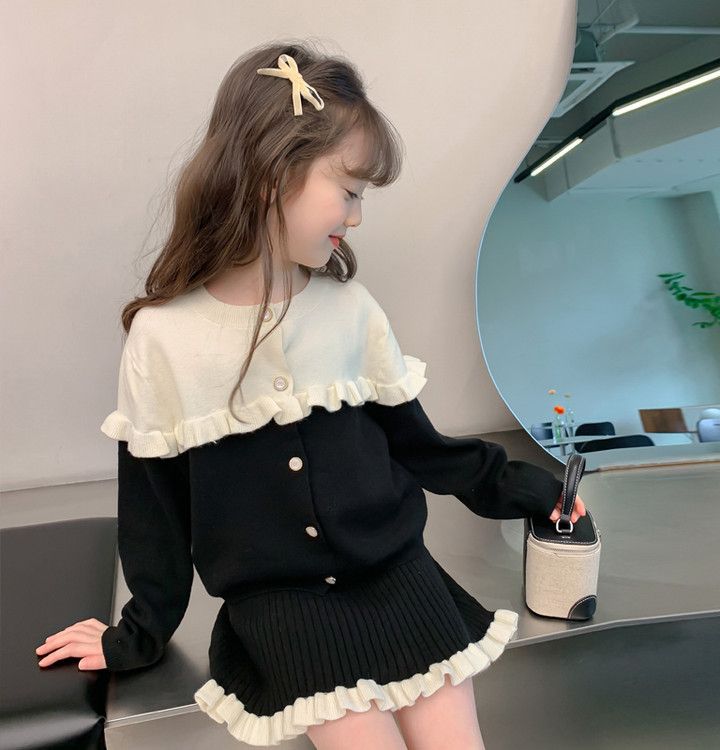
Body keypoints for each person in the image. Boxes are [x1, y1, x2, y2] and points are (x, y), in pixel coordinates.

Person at [35, 40, 586, 749]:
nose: (356, 217)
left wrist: (535, 492)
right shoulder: (162, 339)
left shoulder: (350, 310)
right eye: (349, 191)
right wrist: (135, 634)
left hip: (401, 578)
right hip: (283, 610)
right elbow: (156, 517)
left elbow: (422, 449)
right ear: (275, 173)